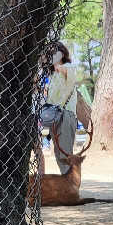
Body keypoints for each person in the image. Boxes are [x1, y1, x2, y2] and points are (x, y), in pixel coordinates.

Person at [45, 41, 79, 173]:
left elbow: (64, 72)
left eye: (54, 52)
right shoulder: (52, 74)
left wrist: (55, 61)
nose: (51, 55)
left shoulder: (67, 67)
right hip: (54, 116)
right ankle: (67, 184)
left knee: (65, 154)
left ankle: (70, 187)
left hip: (65, 115)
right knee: (59, 154)